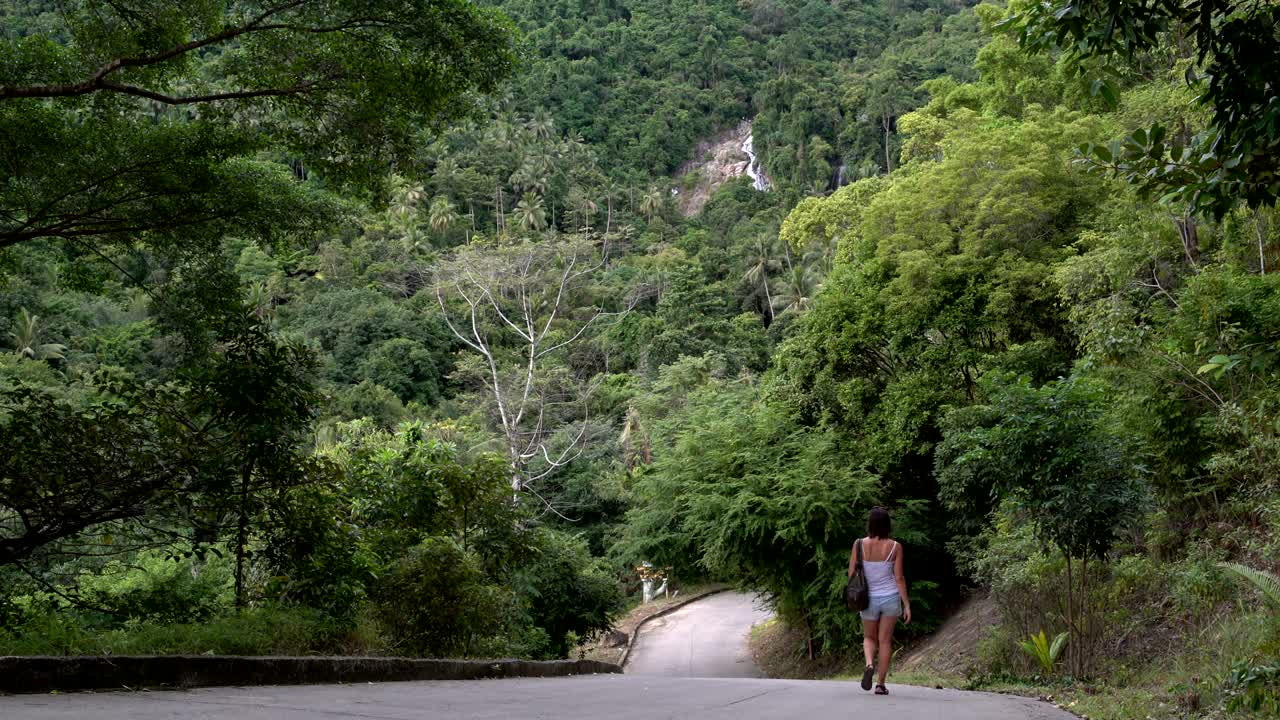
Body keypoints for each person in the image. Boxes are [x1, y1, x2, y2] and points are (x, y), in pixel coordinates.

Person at [849, 506, 911, 695]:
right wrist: (906, 604)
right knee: (885, 641)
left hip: (868, 600)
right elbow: (899, 577)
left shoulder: (859, 544)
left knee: (869, 637)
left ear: (870, 523)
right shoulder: (895, 546)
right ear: (887, 524)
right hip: (891, 598)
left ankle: (869, 664)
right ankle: (880, 685)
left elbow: (852, 573)